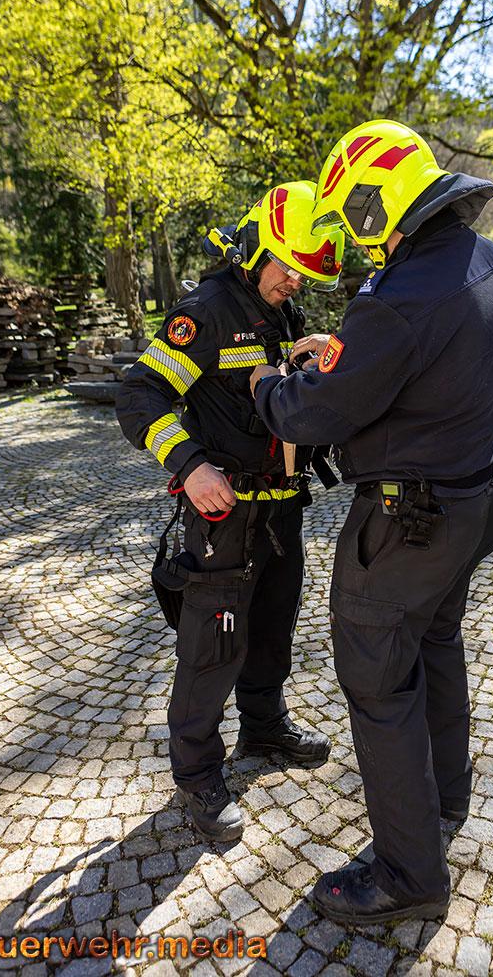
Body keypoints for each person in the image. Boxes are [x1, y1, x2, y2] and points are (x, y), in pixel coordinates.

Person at [250, 120, 493, 923]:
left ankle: (409, 874)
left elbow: (311, 415)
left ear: (374, 204)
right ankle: (446, 798)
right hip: (471, 504)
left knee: (378, 685)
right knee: (436, 647)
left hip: (407, 526)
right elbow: (423, 361)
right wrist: (351, 349)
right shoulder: (492, 262)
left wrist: (269, 383)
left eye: (351, 215)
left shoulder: (398, 295)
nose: (355, 235)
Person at [116, 180, 345, 841]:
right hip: (223, 515)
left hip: (281, 508)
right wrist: (189, 466)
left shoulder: (281, 311)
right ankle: (196, 774)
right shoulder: (207, 310)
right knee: (211, 645)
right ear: (255, 250)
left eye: (304, 274)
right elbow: (139, 394)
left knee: (273, 628)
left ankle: (264, 728)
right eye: (288, 268)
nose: (295, 282)